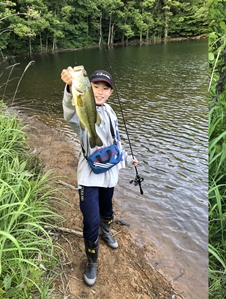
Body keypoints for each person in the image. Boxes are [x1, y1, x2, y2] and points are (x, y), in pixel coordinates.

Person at [60, 68, 138, 287]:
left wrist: (128, 159)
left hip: (110, 174)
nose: (100, 92)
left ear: (111, 92)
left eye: (105, 88)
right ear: (87, 88)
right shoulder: (81, 104)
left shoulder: (112, 111)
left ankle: (106, 231)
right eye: (95, 86)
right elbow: (70, 113)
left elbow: (116, 142)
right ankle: (92, 260)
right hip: (89, 177)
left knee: (107, 211)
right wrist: (69, 88)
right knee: (90, 220)